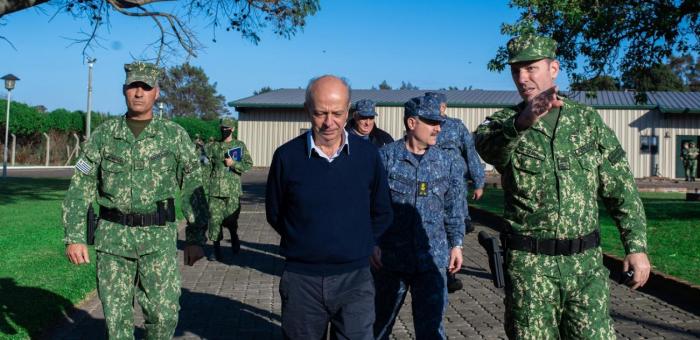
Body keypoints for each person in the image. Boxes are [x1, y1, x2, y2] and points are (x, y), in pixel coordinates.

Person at [475, 35, 651, 339]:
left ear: (553, 68)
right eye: (515, 71)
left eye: (530, 68)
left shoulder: (587, 122)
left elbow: (620, 188)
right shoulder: (506, 123)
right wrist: (525, 120)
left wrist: (636, 247)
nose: (522, 78)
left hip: (586, 268)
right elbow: (488, 148)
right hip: (531, 269)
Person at [62, 61, 208, 340]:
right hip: (113, 242)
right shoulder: (104, 135)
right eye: (133, 86)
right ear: (124, 90)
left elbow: (193, 186)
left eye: (146, 87)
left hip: (159, 241)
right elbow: (81, 184)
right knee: (117, 324)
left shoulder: (173, 136)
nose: (139, 93)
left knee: (164, 317)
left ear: (157, 92)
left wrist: (195, 237)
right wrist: (74, 237)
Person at [265, 75, 393, 340]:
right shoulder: (287, 157)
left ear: (349, 112)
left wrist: (362, 244)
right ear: (307, 111)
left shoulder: (368, 156)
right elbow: (275, 212)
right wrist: (308, 242)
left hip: (355, 279)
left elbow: (382, 210)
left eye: (337, 113)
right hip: (302, 281)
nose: (329, 122)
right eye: (320, 113)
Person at [373, 96, 467, 340]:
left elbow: (453, 207)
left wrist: (456, 244)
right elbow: (368, 206)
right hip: (390, 261)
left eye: (440, 122)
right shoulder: (385, 158)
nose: (438, 128)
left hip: (432, 260)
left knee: (432, 331)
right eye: (431, 121)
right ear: (412, 122)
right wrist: (371, 243)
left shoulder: (447, 162)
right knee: (377, 327)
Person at [425, 91, 486, 293]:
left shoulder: (456, 126)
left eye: (439, 107)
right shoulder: (423, 124)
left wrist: (479, 182)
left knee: (454, 226)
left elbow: (470, 153)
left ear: (444, 107)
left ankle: (451, 273)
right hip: (430, 183)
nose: (437, 111)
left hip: (454, 186)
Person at [203, 118, 253, 261]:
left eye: (227, 128)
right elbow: (207, 169)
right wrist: (205, 188)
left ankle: (234, 236)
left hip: (232, 190)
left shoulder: (239, 145)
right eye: (222, 128)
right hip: (215, 190)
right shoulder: (213, 146)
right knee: (214, 219)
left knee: (231, 219)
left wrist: (234, 163)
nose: (224, 130)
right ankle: (216, 249)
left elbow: (248, 165)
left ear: (232, 129)